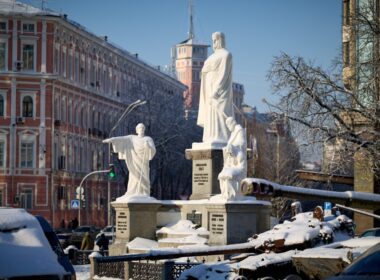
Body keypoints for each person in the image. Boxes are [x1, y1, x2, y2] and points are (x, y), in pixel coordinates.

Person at [197, 31, 234, 147]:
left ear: (220, 40)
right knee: (210, 115)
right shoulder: (211, 56)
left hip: (219, 93)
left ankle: (222, 138)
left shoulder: (226, 55)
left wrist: (216, 91)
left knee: (219, 114)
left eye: (215, 40)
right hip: (208, 90)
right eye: (212, 40)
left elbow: (224, 74)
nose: (213, 43)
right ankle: (210, 137)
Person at [103, 123, 156, 197]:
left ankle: (144, 192)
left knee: (144, 177)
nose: (141, 130)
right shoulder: (132, 138)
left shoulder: (148, 139)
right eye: (140, 128)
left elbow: (153, 150)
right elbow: (122, 139)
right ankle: (133, 191)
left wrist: (148, 147)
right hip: (134, 162)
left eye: (143, 128)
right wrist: (112, 140)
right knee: (134, 176)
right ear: (137, 130)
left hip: (143, 162)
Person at [217, 117, 247, 200]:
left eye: (228, 125)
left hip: (238, 168)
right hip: (232, 165)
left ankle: (232, 195)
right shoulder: (233, 133)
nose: (228, 127)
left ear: (232, 123)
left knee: (229, 176)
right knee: (222, 175)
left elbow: (242, 143)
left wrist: (234, 147)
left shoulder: (239, 131)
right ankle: (225, 194)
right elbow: (227, 163)